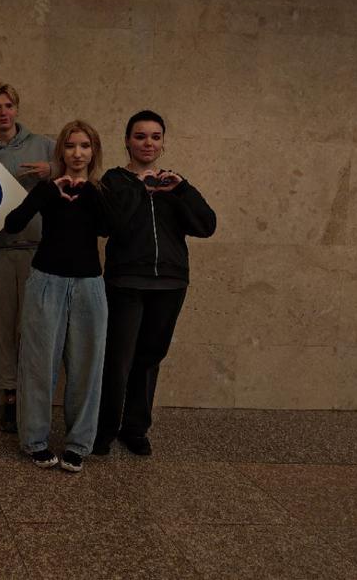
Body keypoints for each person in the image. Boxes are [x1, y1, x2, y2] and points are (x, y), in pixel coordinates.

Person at [94, 110, 217, 457]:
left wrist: (182, 190)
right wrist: (141, 188)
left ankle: (135, 429)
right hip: (126, 282)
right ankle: (103, 430)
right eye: (140, 136)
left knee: (149, 358)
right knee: (118, 359)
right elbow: (107, 225)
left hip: (170, 284)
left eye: (155, 137)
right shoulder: (115, 180)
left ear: (163, 143)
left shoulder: (174, 184)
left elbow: (206, 225)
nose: (148, 143)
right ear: (127, 141)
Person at [3, 120, 110, 473]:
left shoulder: (99, 191)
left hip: (89, 286)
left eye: (85, 146)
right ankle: (34, 441)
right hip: (46, 282)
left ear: (93, 151)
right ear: (60, 151)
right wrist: (47, 191)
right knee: (38, 365)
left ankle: (79, 444)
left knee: (86, 367)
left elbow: (109, 228)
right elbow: (13, 224)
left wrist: (89, 191)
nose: (77, 153)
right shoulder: (47, 189)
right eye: (70, 146)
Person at [0, 82, 55, 433]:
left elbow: (80, 169)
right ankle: (9, 396)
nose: (3, 112)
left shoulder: (44, 146)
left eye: (8, 105)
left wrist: (52, 171)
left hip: (39, 250)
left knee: (34, 329)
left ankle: (30, 398)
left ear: (17, 108)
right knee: (1, 327)